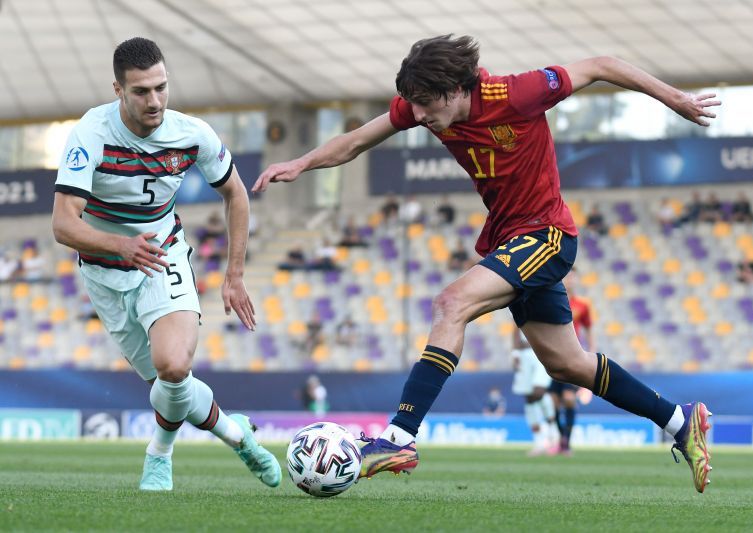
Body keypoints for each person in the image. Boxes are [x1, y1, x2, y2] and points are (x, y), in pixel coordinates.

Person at [252, 34, 718, 492]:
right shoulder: (422, 109)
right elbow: (355, 141)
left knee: (452, 302)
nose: (416, 115)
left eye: (425, 104)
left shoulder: (518, 94)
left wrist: (675, 100)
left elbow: (600, 64)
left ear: (457, 90)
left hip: (547, 234)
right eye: (411, 105)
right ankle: (681, 421)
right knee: (567, 364)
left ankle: (398, 438)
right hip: (511, 239)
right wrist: (301, 164)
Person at [51, 37, 280, 492]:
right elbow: (62, 225)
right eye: (141, 91)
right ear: (117, 89)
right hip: (105, 269)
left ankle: (159, 453)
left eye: (161, 87)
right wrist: (120, 245)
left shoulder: (191, 134)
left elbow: (236, 192)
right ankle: (238, 436)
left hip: (163, 255)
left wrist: (234, 275)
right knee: (169, 384)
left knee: (173, 366)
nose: (154, 100)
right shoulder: (90, 135)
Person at [549, 271, 595, 455]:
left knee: (568, 398)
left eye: (573, 277)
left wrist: (591, 351)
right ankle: (561, 439)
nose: (570, 280)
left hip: (572, 355)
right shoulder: (551, 300)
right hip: (551, 355)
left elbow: (589, 328)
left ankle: (566, 442)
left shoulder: (582, 305)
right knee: (553, 402)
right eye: (567, 276)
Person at [511, 329, 558, 456]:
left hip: (541, 353)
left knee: (539, 392)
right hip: (524, 355)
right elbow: (515, 329)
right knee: (529, 397)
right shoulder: (517, 308)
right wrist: (515, 353)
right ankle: (539, 440)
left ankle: (552, 429)